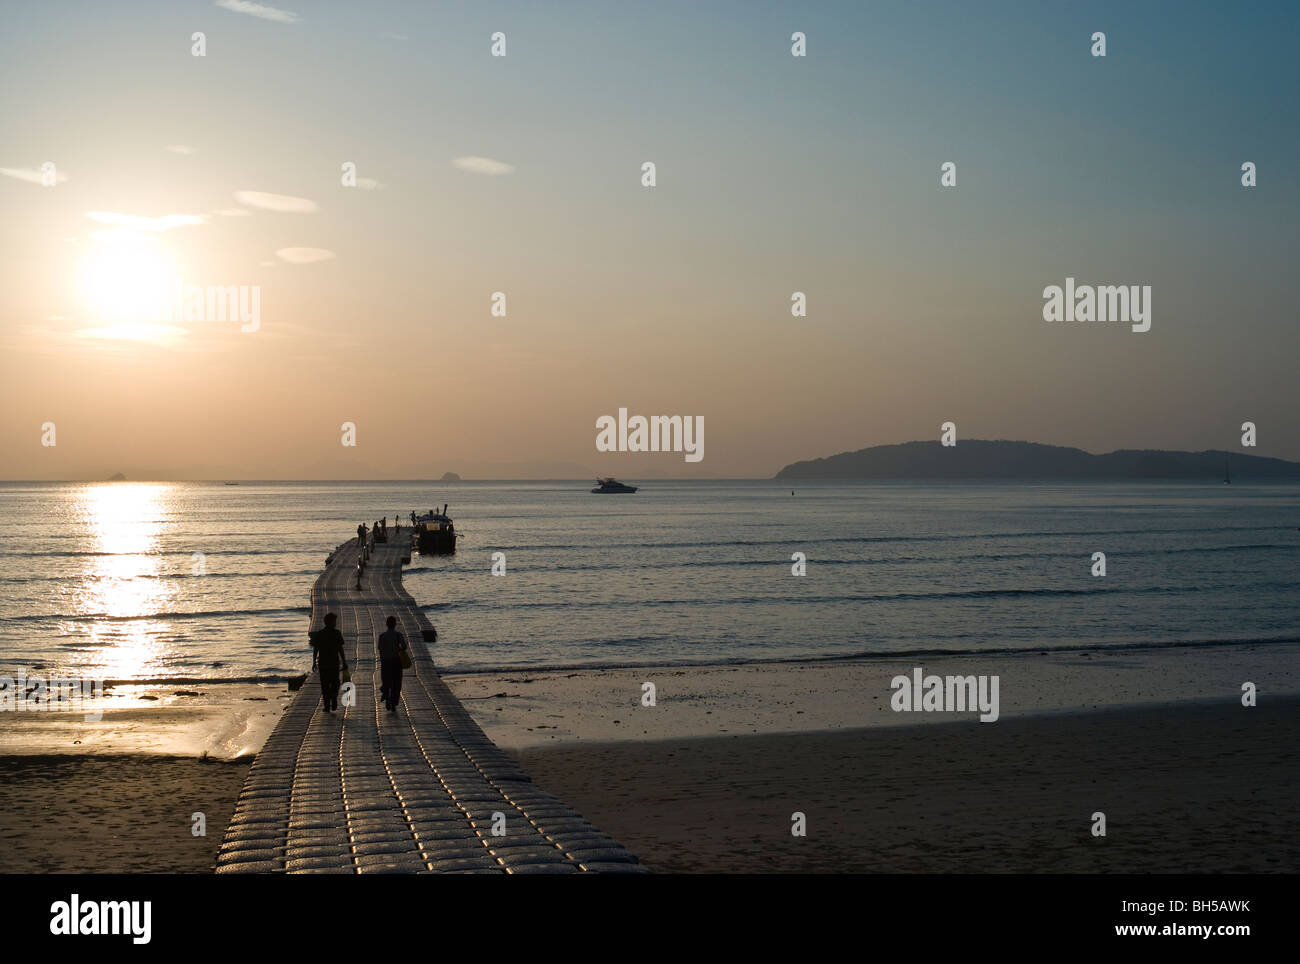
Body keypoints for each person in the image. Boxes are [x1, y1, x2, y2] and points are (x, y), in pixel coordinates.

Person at [309, 613, 348, 712]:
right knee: (335, 683)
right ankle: (333, 698)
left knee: (325, 685)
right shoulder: (337, 633)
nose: (335, 623)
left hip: (323, 664)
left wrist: (314, 662)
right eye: (334, 621)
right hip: (333, 663)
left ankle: (327, 705)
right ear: (331, 622)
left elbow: (315, 649)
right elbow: (340, 649)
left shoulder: (320, 634)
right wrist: (344, 661)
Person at [377, 615, 408, 713]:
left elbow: (380, 649)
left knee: (386, 680)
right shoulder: (398, 635)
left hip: (386, 661)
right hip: (396, 661)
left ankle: (385, 692)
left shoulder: (382, 636)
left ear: (387, 624)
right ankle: (394, 701)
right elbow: (404, 646)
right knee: (397, 682)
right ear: (395, 624)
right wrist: (399, 649)